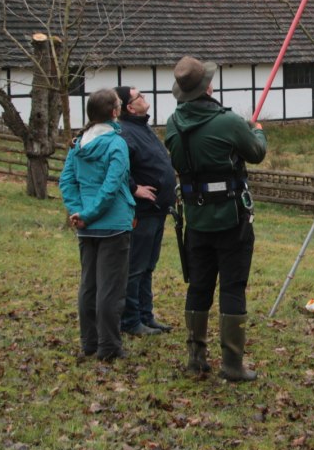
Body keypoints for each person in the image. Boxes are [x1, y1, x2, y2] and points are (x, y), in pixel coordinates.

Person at [164, 56, 267, 382]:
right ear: (208, 87)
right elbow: (256, 153)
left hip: (195, 218)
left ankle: (196, 358)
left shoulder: (172, 123)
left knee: (199, 287)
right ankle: (233, 365)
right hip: (231, 216)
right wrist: (257, 132)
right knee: (233, 287)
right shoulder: (229, 122)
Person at [59, 88, 135, 362]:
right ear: (115, 112)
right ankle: (108, 346)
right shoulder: (116, 144)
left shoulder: (79, 143)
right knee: (110, 288)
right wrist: (88, 213)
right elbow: (112, 186)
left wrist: (77, 211)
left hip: (86, 224)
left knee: (89, 284)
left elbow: (67, 182)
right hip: (112, 223)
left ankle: (89, 342)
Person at [113, 86, 177, 337]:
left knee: (148, 265)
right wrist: (134, 188)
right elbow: (118, 167)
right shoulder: (125, 133)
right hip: (142, 210)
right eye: (139, 96)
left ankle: (146, 315)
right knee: (136, 266)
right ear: (130, 107)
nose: (144, 98)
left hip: (158, 208)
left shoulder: (141, 127)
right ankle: (130, 320)